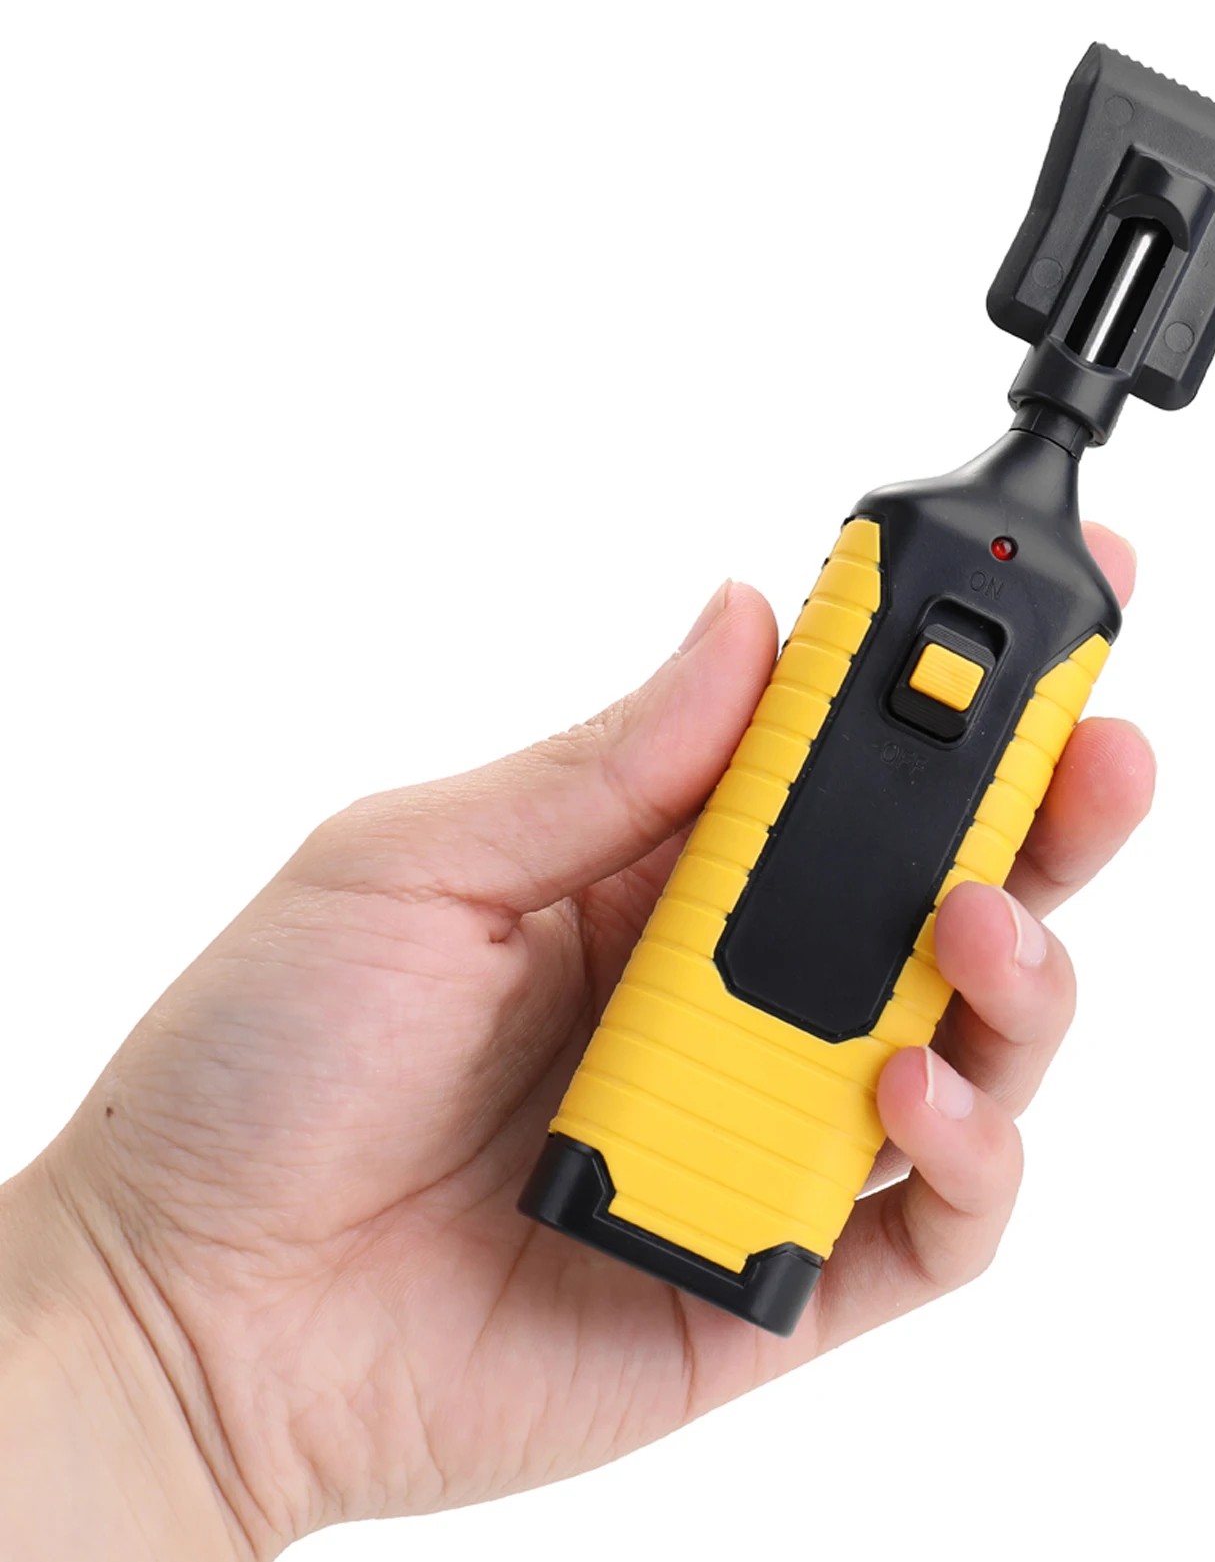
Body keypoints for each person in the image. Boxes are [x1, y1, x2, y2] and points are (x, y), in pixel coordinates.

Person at [0, 535, 1152, 1559]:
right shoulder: (976, 575)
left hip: (642, 1159)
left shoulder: (930, 551)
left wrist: (177, 1385)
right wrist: (164, 1344)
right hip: (693, 1183)